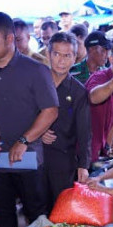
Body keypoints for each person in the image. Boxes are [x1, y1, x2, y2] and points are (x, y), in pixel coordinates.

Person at [0, 12, 58, 227]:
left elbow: (50, 110)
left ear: (9, 38)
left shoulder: (35, 70)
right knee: (4, 218)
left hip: (27, 158)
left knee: (37, 218)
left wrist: (24, 140)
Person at [41, 32, 91, 211]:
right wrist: (37, 132)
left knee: (61, 209)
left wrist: (83, 165)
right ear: (48, 54)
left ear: (75, 57)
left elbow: (84, 131)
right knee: (35, 209)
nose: (61, 61)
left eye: (67, 55)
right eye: (56, 54)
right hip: (34, 156)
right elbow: (21, 114)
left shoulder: (79, 91)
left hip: (64, 159)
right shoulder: (36, 84)